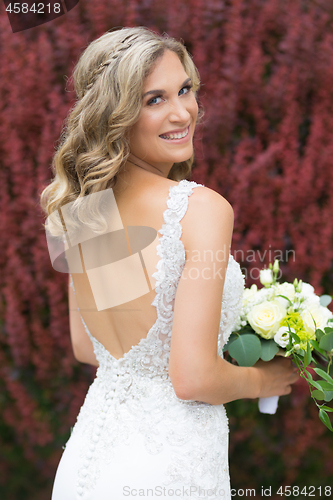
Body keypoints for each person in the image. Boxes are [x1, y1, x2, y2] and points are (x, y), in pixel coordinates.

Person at [40, 26, 299, 500]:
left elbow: (88, 347)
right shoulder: (200, 209)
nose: (183, 112)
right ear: (115, 114)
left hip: (87, 467)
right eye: (153, 100)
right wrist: (266, 377)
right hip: (170, 472)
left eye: (185, 90)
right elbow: (193, 378)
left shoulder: (82, 210)